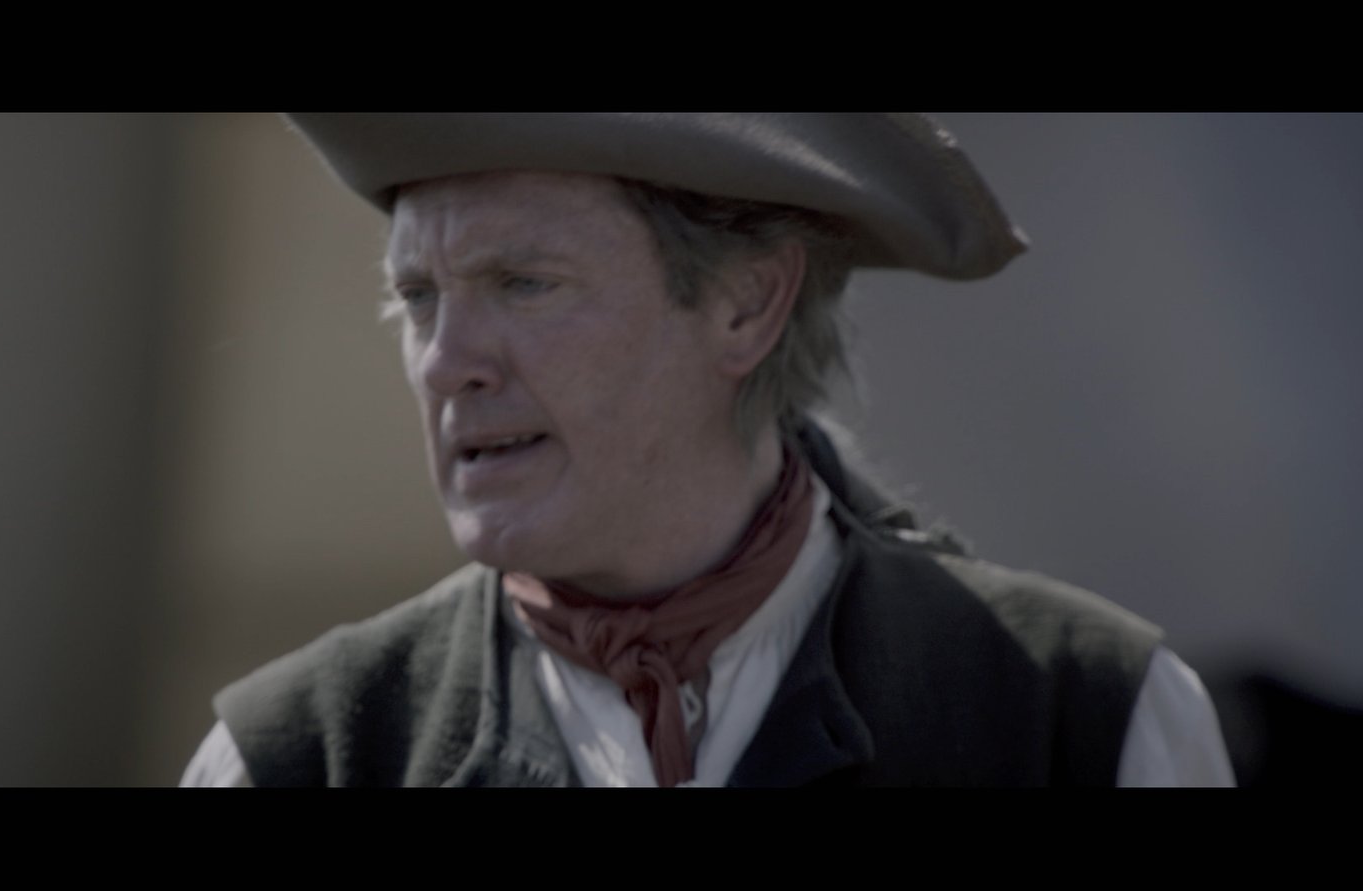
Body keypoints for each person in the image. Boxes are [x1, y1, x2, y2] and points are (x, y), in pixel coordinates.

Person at [182, 113, 1235, 787]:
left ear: (745, 303)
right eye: (418, 298)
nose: (447, 363)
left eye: (523, 284)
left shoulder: (1086, 721)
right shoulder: (295, 757)